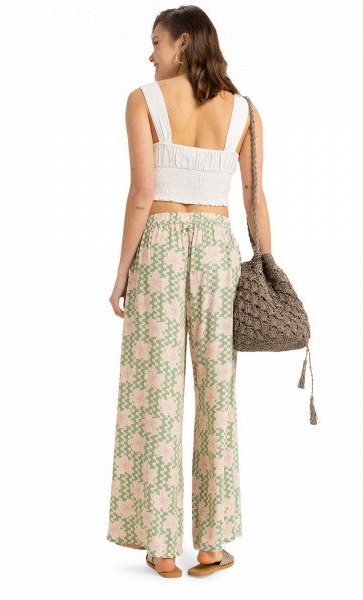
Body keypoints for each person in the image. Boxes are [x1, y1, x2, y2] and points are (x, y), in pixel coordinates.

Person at [106, 5, 272, 578]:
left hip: (160, 246)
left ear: (181, 43)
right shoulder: (244, 110)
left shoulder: (143, 100)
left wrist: (122, 271)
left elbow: (141, 194)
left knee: (155, 392)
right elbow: (253, 195)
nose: (150, 53)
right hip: (217, 249)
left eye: (156, 41)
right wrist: (265, 265)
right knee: (217, 395)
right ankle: (211, 544)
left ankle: (159, 546)